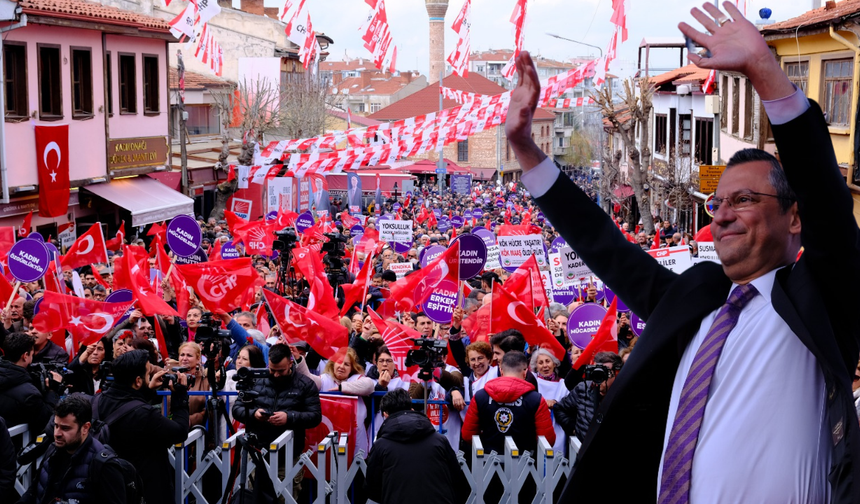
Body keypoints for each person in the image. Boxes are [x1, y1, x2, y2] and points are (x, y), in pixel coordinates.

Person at [505, 3, 860, 501]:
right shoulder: (698, 299)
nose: (721, 214)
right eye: (718, 202)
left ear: (794, 219)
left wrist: (765, 71)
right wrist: (526, 151)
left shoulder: (819, 300)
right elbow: (607, 249)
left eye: (745, 200)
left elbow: (826, 197)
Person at [96, 349, 190, 504]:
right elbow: (179, 432)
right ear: (138, 381)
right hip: (144, 490)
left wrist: (146, 390)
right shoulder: (145, 415)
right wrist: (180, 397)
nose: (150, 378)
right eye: (148, 375)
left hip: (109, 487)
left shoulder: (96, 401)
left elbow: (125, 404)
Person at [232, 343, 321, 503]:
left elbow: (315, 416)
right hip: (256, 454)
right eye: (272, 370)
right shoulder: (256, 381)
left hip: (287, 458)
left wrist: (289, 417)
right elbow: (237, 409)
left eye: (281, 371)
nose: (276, 375)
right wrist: (254, 414)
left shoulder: (305, 384)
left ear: (290, 363)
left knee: (283, 500)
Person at [16, 394, 126, 504]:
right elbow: (34, 490)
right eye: (56, 426)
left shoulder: (103, 466)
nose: (57, 433)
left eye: (65, 428)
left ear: (85, 428)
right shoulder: (52, 449)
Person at [364, 389, 469, 504]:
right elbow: (457, 479)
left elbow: (372, 489)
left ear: (385, 414)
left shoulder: (380, 446)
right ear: (411, 409)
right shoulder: (439, 440)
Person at [0, 333, 60, 436]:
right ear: (25, 356)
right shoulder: (29, 395)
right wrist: (52, 391)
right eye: (32, 355)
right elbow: (47, 421)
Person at [553, 352, 622, 441]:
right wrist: (574, 429)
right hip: (583, 449)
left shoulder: (622, 394)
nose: (599, 376)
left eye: (605, 372)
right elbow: (560, 408)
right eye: (596, 371)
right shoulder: (583, 388)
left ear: (615, 374)